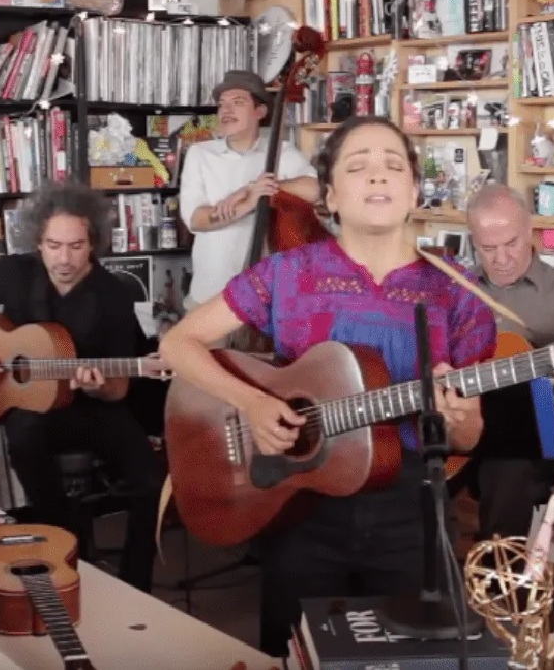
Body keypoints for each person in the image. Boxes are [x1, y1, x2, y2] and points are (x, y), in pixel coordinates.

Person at [158, 115, 498, 658]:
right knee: (295, 653)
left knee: (422, 659)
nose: (378, 176)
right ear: (331, 196)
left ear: (414, 191)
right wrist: (253, 402)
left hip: (411, 509)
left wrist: (457, 418)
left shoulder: (457, 290)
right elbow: (179, 344)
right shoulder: (288, 272)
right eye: (358, 167)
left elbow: (468, 438)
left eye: (393, 166)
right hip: (301, 503)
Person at [0, 184, 165, 593]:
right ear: (38, 242)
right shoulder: (16, 272)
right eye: (54, 246)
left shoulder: (113, 295)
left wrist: (96, 388)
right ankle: (67, 554)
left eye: (76, 246)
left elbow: (119, 391)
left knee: (151, 481)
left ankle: (136, 586)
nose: (64, 258)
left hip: (93, 411)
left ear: (93, 244)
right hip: (30, 406)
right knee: (26, 440)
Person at [461, 184, 554, 540]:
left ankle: (498, 569)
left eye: (511, 243)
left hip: (536, 434)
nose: (501, 258)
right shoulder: (457, 292)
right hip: (462, 423)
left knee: (510, 468)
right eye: (488, 248)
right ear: (473, 242)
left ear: (529, 231)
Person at [178, 69, 321, 310]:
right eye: (222, 104)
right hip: (210, 297)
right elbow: (196, 220)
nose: (226, 110)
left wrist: (257, 188)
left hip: (267, 297)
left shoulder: (282, 151)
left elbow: (315, 189)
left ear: (260, 112)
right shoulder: (200, 154)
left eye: (238, 102)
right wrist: (247, 204)